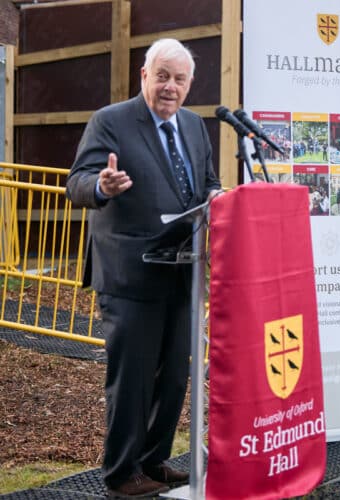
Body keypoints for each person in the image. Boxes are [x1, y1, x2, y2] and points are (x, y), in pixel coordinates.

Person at [65, 38, 222, 498]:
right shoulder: (110, 121)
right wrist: (103, 185)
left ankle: (154, 460)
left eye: (180, 79)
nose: (171, 87)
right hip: (130, 274)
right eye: (163, 76)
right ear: (144, 76)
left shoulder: (194, 126)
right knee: (132, 379)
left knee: (174, 376)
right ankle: (121, 473)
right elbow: (77, 183)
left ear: (190, 83)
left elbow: (207, 181)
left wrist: (217, 196)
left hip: (182, 270)